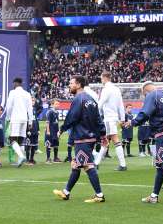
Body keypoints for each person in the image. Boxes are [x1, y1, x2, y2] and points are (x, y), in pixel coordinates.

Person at [53, 75, 106, 203]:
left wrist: (62, 129)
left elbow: (72, 117)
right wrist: (103, 134)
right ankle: (66, 192)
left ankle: (99, 195)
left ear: (78, 85)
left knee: (87, 166)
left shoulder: (78, 99)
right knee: (76, 165)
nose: (69, 85)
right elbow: (98, 119)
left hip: (83, 137)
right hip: (90, 137)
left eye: (71, 83)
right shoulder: (91, 99)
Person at [94, 71, 127, 171]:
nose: (101, 80)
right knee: (106, 140)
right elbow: (121, 105)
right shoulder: (116, 89)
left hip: (108, 118)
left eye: (101, 78)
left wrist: (94, 114)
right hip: (114, 117)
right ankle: (96, 163)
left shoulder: (106, 89)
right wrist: (122, 119)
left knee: (114, 139)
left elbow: (100, 103)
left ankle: (123, 165)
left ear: (104, 78)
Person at [5, 78, 34, 167]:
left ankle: (21, 156)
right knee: (21, 140)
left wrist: (8, 117)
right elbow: (30, 108)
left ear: (15, 83)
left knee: (12, 139)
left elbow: (9, 106)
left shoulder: (12, 92)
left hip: (15, 118)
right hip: (24, 119)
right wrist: (30, 121)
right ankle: (20, 159)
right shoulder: (27, 94)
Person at [45, 99, 61, 163]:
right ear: (52, 104)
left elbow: (57, 122)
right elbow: (47, 122)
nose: (58, 105)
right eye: (56, 104)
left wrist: (59, 130)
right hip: (51, 130)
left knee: (56, 144)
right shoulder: (50, 112)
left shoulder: (57, 112)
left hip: (56, 130)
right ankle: (48, 158)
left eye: (58, 104)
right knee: (49, 143)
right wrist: (48, 131)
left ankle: (55, 158)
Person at [25, 97, 40, 165]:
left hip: (35, 130)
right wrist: (27, 130)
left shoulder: (34, 109)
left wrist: (38, 129)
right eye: (32, 101)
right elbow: (26, 121)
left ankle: (32, 159)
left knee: (34, 145)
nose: (33, 102)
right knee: (28, 145)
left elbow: (36, 120)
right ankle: (27, 159)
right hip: (29, 131)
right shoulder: (26, 110)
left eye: (34, 101)